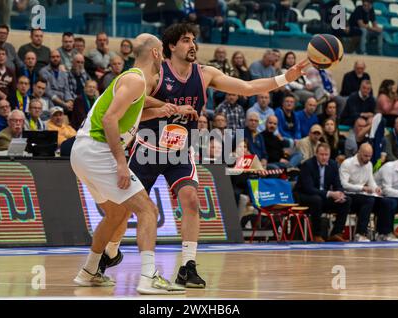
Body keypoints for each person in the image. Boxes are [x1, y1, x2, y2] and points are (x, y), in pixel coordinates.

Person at [125, 23, 308, 289]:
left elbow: (247, 87)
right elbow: (133, 105)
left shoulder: (205, 73)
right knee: (121, 213)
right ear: (172, 46)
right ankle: (104, 255)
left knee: (190, 201)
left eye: (194, 40)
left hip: (178, 152)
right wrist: (168, 108)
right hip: (147, 149)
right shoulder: (155, 72)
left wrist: (284, 78)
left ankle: (188, 267)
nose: (192, 45)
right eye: (186, 40)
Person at [71, 33, 185, 294]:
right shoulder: (135, 79)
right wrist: (122, 165)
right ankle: (148, 277)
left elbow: (129, 116)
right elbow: (110, 120)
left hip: (84, 152)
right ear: (156, 53)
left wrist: (163, 110)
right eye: (163, 54)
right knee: (148, 211)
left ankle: (89, 271)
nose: (165, 59)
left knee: (116, 214)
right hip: (97, 150)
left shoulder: (134, 82)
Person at [295, 143, 352, 242]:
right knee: (317, 200)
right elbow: (309, 189)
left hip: (322, 196)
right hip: (303, 196)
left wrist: (340, 194)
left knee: (346, 200)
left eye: (326, 155)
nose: (324, 157)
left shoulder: (333, 165)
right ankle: (316, 235)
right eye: (321, 154)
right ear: (316, 154)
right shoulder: (307, 165)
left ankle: (336, 233)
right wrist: (330, 194)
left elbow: (338, 184)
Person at [339, 143, 394, 242]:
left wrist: (376, 188)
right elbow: (344, 185)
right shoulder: (347, 163)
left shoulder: (369, 164)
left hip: (363, 194)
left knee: (386, 202)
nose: (368, 158)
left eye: (370, 156)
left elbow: (371, 181)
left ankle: (382, 233)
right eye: (365, 156)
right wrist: (362, 188)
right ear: (359, 152)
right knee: (369, 200)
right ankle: (360, 233)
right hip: (349, 195)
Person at [39, 50, 74, 114]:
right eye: (53, 57)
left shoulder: (63, 73)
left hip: (64, 102)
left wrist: (69, 101)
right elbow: (48, 92)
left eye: (57, 57)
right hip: (51, 101)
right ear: (49, 58)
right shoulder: (44, 71)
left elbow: (67, 90)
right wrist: (64, 104)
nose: (55, 59)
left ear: (60, 58)